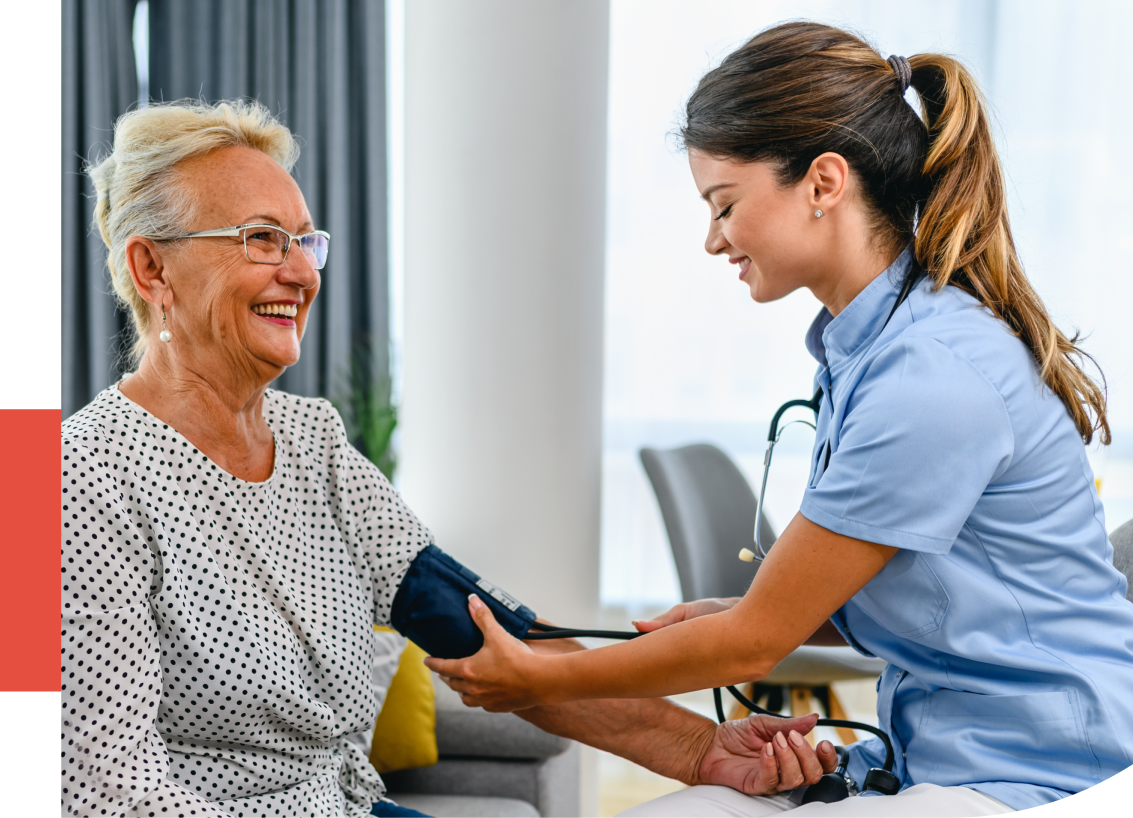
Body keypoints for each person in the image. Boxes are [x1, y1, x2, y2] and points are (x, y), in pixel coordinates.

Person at [429, 22, 1133, 816]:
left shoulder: (931, 375)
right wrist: (739, 615)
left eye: (724, 205)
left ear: (823, 183)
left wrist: (538, 678)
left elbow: (757, 644)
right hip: (941, 756)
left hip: (1043, 771)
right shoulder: (872, 351)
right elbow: (913, 598)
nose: (712, 239)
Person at [60, 99, 832, 818]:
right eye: (262, 238)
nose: (301, 271)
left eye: (304, 240)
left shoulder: (314, 443)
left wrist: (701, 748)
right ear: (150, 268)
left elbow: (486, 633)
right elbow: (101, 793)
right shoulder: (54, 481)